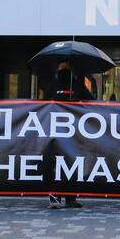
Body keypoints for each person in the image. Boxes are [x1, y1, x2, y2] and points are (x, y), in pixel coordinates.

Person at [44, 61, 87, 209]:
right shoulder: (56, 84)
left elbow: (89, 101)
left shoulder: (74, 84)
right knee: (59, 164)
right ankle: (56, 196)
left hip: (72, 130)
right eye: (62, 68)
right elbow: (45, 103)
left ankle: (70, 197)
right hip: (57, 130)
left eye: (64, 69)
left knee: (70, 164)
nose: (63, 71)